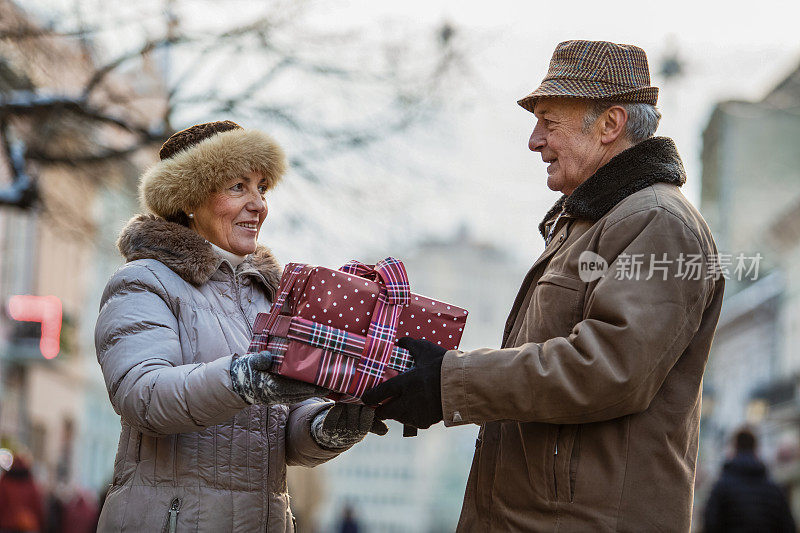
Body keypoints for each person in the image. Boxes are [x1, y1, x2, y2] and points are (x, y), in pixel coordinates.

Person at [364, 40, 726, 531]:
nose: (534, 141)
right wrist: (439, 382)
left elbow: (608, 369)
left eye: (549, 123)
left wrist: (451, 382)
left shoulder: (658, 222)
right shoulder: (595, 222)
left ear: (610, 125)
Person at [95, 120, 384, 531]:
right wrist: (242, 380)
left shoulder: (268, 296)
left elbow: (281, 432)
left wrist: (328, 427)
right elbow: (144, 396)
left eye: (262, 188)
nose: (259, 205)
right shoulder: (143, 281)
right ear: (189, 197)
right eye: (238, 187)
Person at [703, 428, 795, 532]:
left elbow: (710, 523)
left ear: (735, 447)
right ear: (755, 448)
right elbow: (788, 526)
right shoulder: (774, 490)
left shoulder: (721, 487)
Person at [0, 453, 44, 532]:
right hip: (26, 527)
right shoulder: (30, 484)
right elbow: (37, 507)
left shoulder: (4, 482)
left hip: (5, 526)